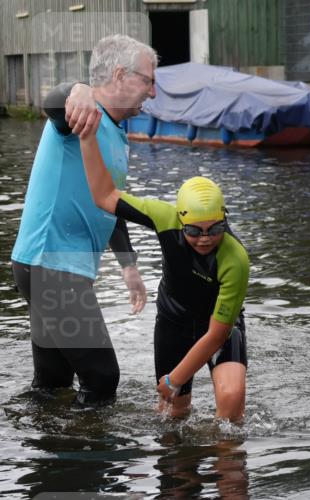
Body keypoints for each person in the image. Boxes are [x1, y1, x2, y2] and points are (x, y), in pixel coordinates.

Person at [11, 34, 157, 405]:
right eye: (149, 80)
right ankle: (91, 457)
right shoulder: (78, 116)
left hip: (51, 267)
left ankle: (48, 454)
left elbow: (109, 202)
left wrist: (128, 266)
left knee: (53, 382)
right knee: (102, 377)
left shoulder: (116, 131)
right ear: (121, 75)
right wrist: (77, 88)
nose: (153, 93)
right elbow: (54, 104)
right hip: (51, 265)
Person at [79, 112, 250, 422]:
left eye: (215, 229)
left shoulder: (235, 258)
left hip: (219, 329)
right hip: (174, 322)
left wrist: (175, 379)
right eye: (194, 231)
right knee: (174, 414)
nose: (204, 239)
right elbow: (104, 196)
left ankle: (228, 462)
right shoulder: (163, 217)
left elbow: (216, 335)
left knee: (231, 400)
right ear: (180, 220)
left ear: (225, 220)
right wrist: (86, 137)